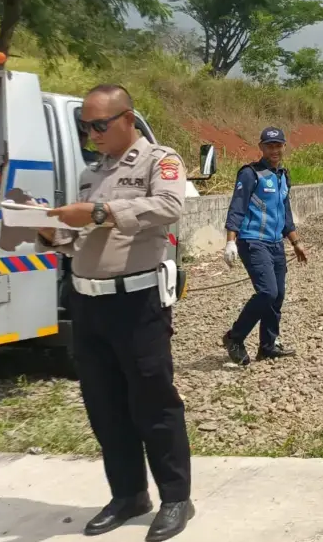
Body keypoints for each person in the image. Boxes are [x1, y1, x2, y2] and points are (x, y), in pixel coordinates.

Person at [37, 84, 194, 541]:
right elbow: (78, 239)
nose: (92, 134)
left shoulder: (159, 160)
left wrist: (99, 212)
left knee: (154, 403)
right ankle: (128, 495)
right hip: (87, 303)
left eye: (99, 125)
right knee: (104, 405)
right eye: (85, 127)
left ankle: (176, 497)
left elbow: (169, 206)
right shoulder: (92, 174)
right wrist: (49, 231)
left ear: (127, 118)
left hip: (135, 303)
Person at [221, 126, 308, 365]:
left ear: (284, 147)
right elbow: (237, 207)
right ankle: (234, 337)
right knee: (268, 292)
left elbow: (285, 213)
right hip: (253, 241)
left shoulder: (282, 176)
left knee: (277, 295)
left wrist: (296, 242)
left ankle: (268, 346)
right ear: (261, 147)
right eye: (270, 146)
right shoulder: (251, 174)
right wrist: (230, 242)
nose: (274, 150)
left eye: (278, 145)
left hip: (275, 243)